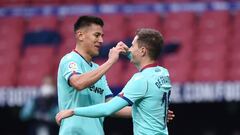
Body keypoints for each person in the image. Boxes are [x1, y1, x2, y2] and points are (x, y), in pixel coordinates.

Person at [56, 28, 172, 135]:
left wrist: (73, 111)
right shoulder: (163, 73)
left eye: (132, 46)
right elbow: (146, 66)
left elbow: (108, 109)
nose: (129, 49)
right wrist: (155, 113)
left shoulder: (140, 80)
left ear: (142, 51)